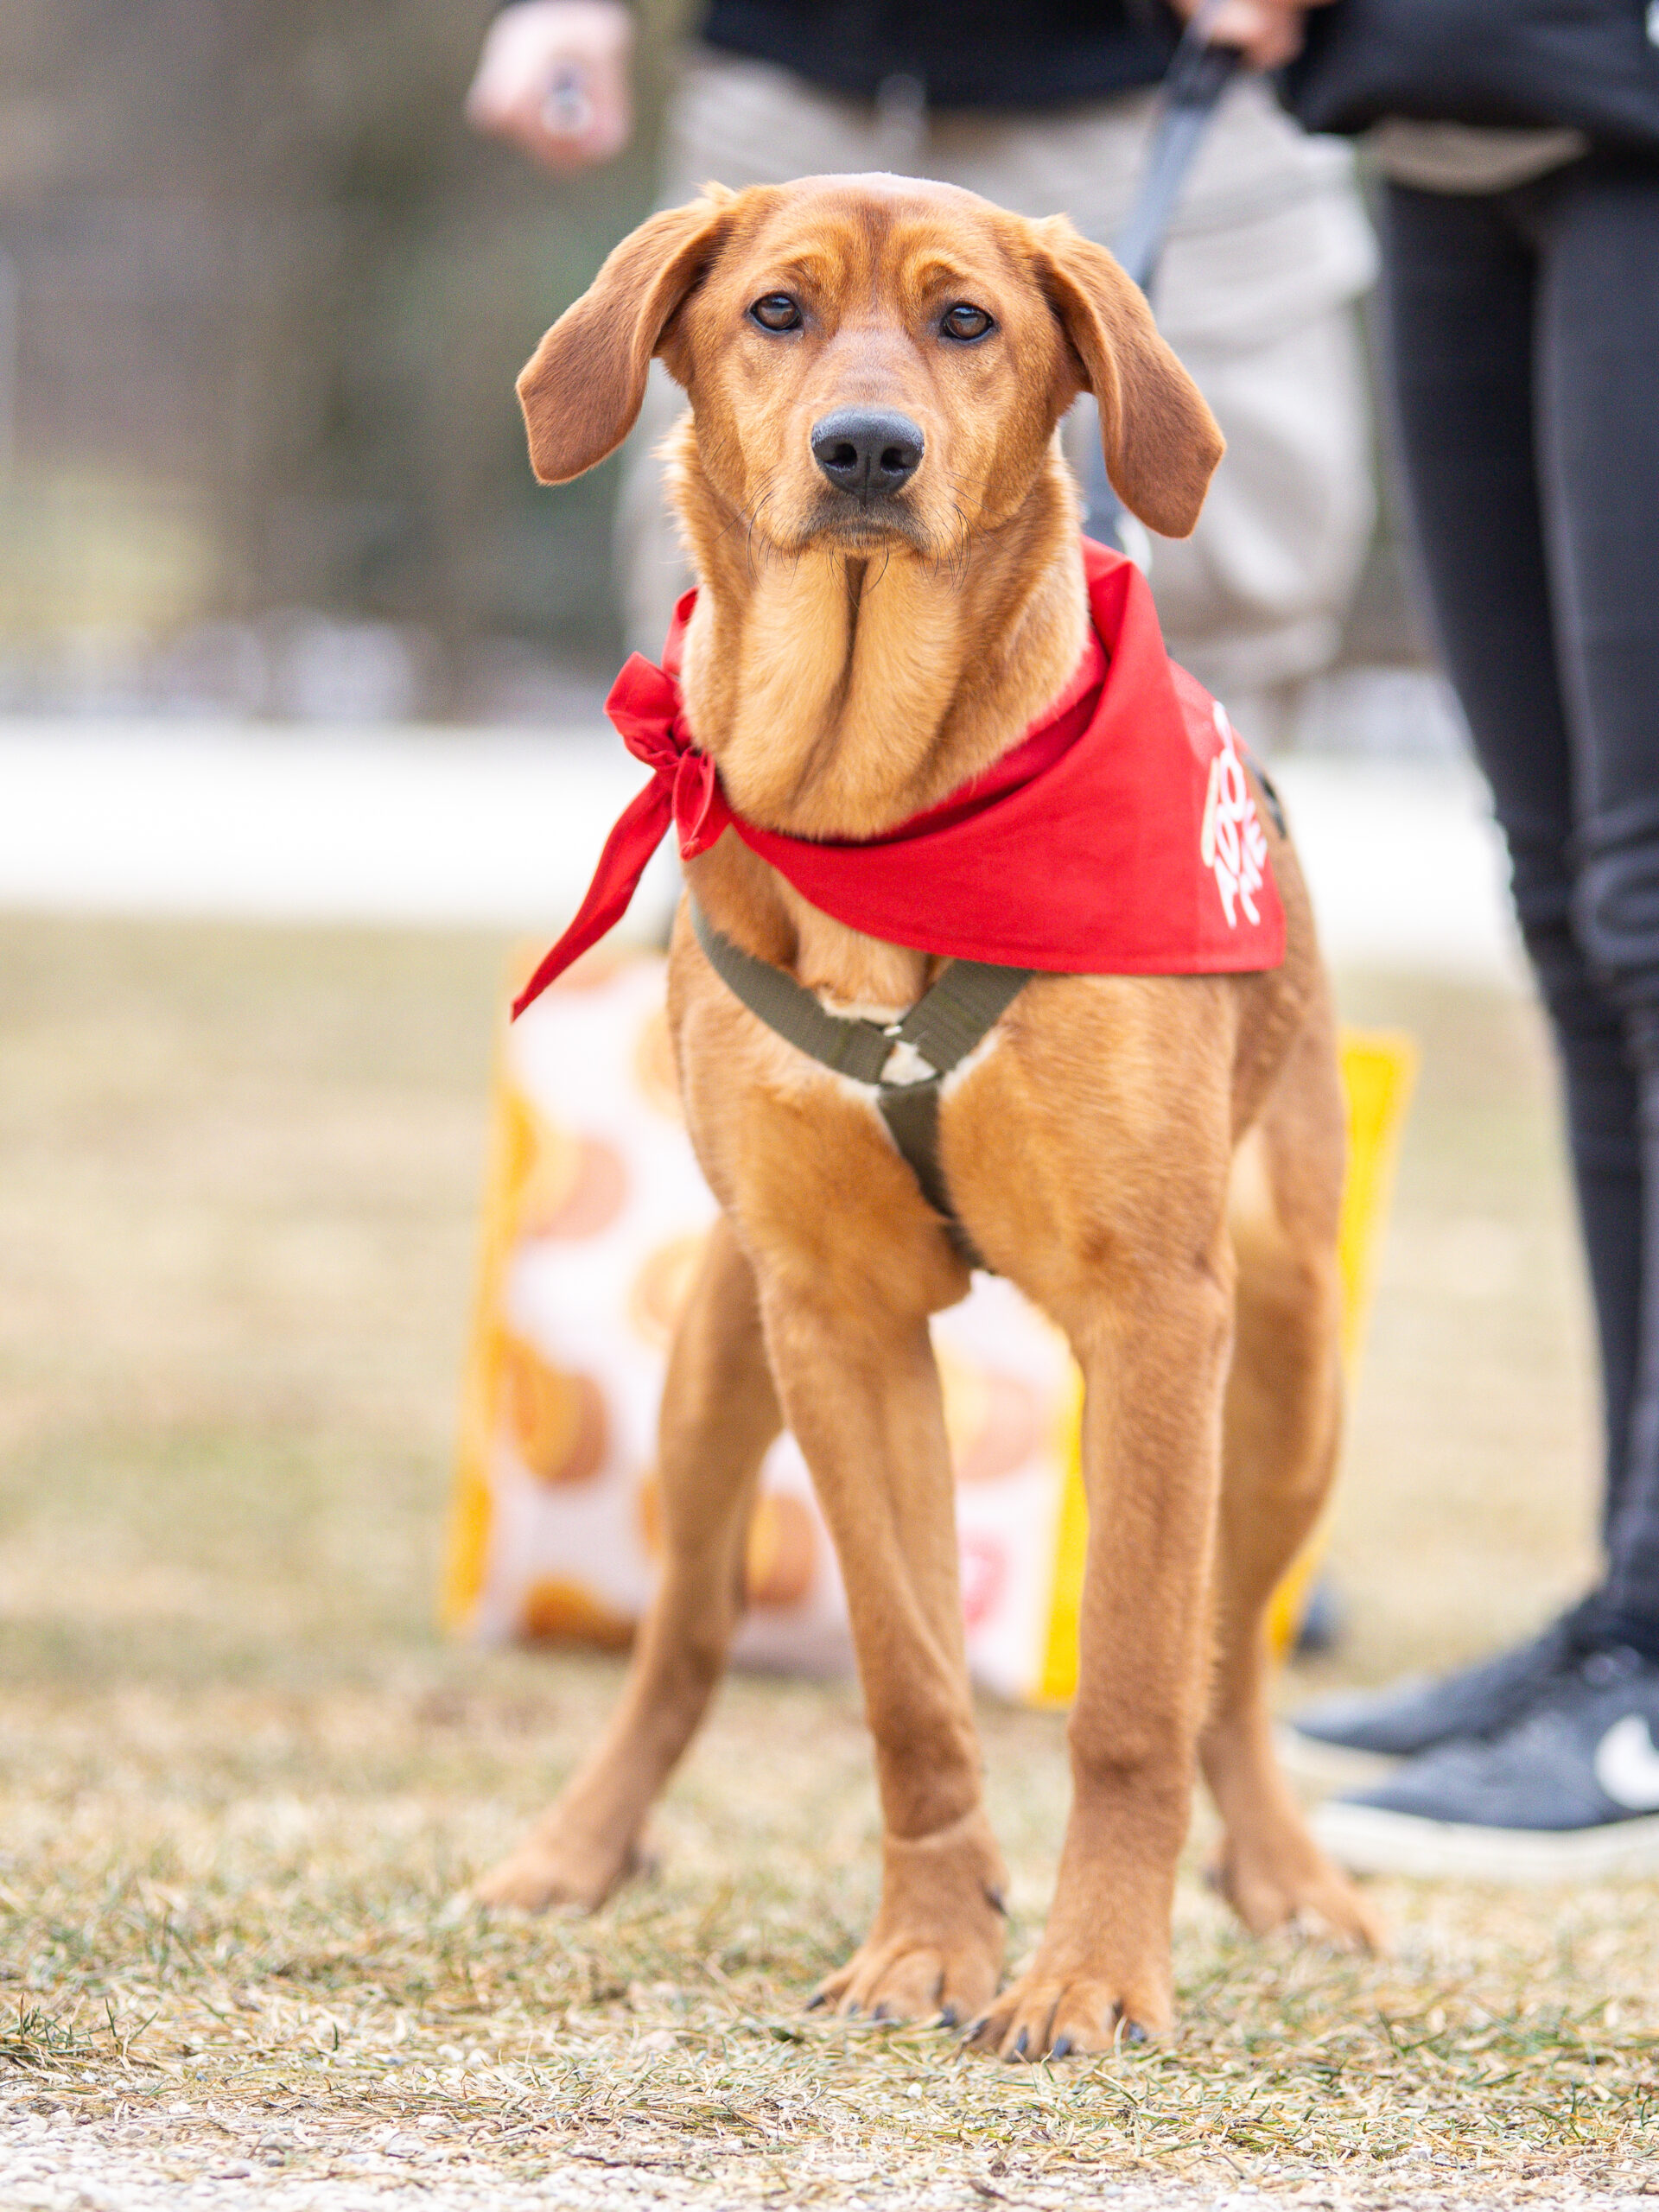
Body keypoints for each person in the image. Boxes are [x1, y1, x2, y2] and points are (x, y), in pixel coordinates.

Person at [1264, 3, 1659, 1875]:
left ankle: (1652, 1660)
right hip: (1447, 120)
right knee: (1576, 905)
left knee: (1653, 909)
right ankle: (1624, 1613)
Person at [467, 0, 1377, 748]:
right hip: (790, 86)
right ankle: (742, 947)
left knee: (1211, 625)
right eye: (780, 313)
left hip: (1167, 83)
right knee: (719, 583)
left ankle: (1166, 954)